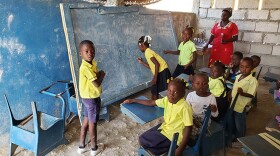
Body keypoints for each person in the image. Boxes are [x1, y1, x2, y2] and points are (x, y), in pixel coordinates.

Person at [123, 79, 193, 155]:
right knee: (142, 139)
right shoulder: (167, 100)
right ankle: (158, 149)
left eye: (175, 92)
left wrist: (180, 149)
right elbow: (152, 102)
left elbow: (188, 128)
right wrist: (134, 100)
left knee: (146, 144)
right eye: (169, 90)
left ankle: (173, 147)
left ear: (183, 93)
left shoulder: (184, 107)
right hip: (165, 128)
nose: (171, 94)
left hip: (173, 136)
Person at [77, 40, 105, 156]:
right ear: (81, 54)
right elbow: (97, 83)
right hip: (91, 99)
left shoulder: (91, 63)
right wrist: (102, 75)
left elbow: (95, 75)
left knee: (86, 121)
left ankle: (81, 147)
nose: (90, 53)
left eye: (92, 51)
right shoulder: (85, 68)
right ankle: (94, 149)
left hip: (87, 97)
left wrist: (99, 74)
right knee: (93, 124)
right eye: (86, 51)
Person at [229, 57, 258, 143]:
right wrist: (230, 92)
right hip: (234, 103)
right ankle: (234, 134)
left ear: (252, 68)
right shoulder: (238, 76)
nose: (244, 69)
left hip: (241, 106)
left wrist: (242, 93)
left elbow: (251, 95)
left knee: (240, 123)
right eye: (242, 66)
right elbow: (235, 86)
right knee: (233, 120)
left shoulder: (253, 81)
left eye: (247, 67)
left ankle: (240, 139)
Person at [137, 35, 171, 100]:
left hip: (163, 72)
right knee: (154, 91)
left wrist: (155, 78)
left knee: (162, 92)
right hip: (161, 71)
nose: (139, 48)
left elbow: (157, 64)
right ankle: (154, 104)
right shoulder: (148, 51)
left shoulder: (147, 52)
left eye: (139, 47)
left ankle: (160, 105)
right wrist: (142, 62)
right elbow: (152, 67)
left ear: (141, 45)